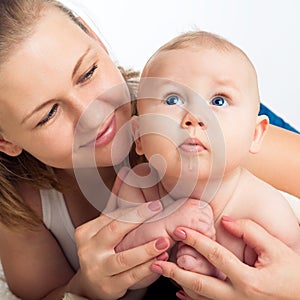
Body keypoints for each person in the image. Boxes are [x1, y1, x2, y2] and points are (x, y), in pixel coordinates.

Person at [0, 0, 299, 299]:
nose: (93, 116)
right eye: (48, 114)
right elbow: (42, 292)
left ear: (93, 35)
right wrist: (86, 286)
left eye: (88, 72)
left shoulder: (206, 130)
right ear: (5, 141)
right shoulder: (20, 201)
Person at [115, 30, 300, 291]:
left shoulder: (264, 210)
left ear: (255, 135)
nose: (195, 117)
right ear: (139, 136)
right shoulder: (138, 187)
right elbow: (129, 276)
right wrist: (166, 225)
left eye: (218, 100)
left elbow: (284, 280)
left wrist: (217, 275)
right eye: (172, 99)